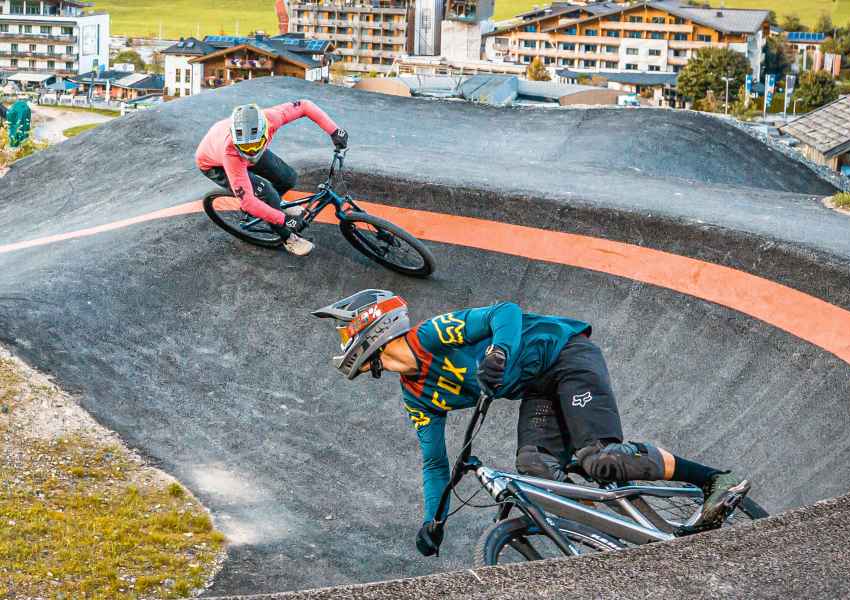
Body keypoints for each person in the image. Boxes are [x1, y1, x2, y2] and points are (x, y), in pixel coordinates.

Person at [313, 290, 753, 557]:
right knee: (536, 468)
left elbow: (505, 312)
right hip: (539, 390)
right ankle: (616, 533)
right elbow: (434, 465)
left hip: (566, 355)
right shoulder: (417, 396)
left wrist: (499, 350)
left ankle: (715, 479)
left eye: (345, 332)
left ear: (368, 326)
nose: (343, 343)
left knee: (600, 459)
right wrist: (434, 521)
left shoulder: (431, 334)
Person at [196, 100, 349, 256]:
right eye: (247, 148)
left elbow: (304, 105)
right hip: (215, 164)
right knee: (267, 194)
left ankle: (272, 204)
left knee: (288, 178)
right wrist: (284, 220)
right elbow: (247, 202)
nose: (251, 153)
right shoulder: (231, 152)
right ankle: (288, 238)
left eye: (255, 146)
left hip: (235, 146)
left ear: (264, 131)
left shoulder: (271, 119)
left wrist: (334, 131)